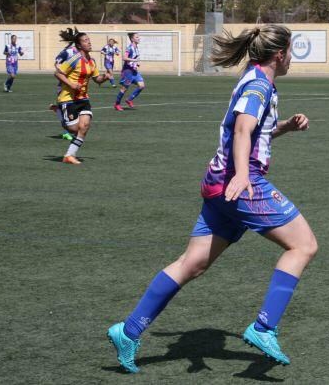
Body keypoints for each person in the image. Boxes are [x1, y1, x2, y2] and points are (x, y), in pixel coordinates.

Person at [107, 24, 317, 373]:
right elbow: (241, 130)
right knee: (303, 246)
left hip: (219, 185)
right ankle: (264, 327)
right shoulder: (259, 85)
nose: (292, 57)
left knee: (193, 263)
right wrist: (242, 175)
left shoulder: (257, 81)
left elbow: (255, 132)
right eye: (291, 51)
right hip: (240, 185)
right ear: (279, 54)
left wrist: (284, 129)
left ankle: (128, 331)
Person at [53, 29, 110, 164]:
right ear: (79, 46)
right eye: (85, 41)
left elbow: (97, 79)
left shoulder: (92, 61)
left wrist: (106, 77)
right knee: (73, 129)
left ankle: (69, 155)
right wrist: (71, 84)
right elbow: (58, 73)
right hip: (68, 98)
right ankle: (58, 111)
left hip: (83, 98)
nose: (89, 42)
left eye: (88, 40)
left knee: (84, 126)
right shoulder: (74, 59)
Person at [49, 31, 81, 141]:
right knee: (68, 107)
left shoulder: (81, 53)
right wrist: (64, 72)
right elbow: (57, 64)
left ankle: (57, 109)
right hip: (65, 85)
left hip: (77, 85)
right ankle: (66, 131)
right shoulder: (68, 51)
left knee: (77, 107)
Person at [115, 33, 145, 111]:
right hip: (127, 71)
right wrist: (134, 60)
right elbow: (124, 58)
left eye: (139, 37)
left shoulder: (136, 48)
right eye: (137, 37)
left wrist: (136, 63)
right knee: (124, 88)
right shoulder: (129, 48)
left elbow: (133, 59)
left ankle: (129, 99)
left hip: (134, 70)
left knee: (141, 86)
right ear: (132, 39)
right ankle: (117, 104)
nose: (139, 38)